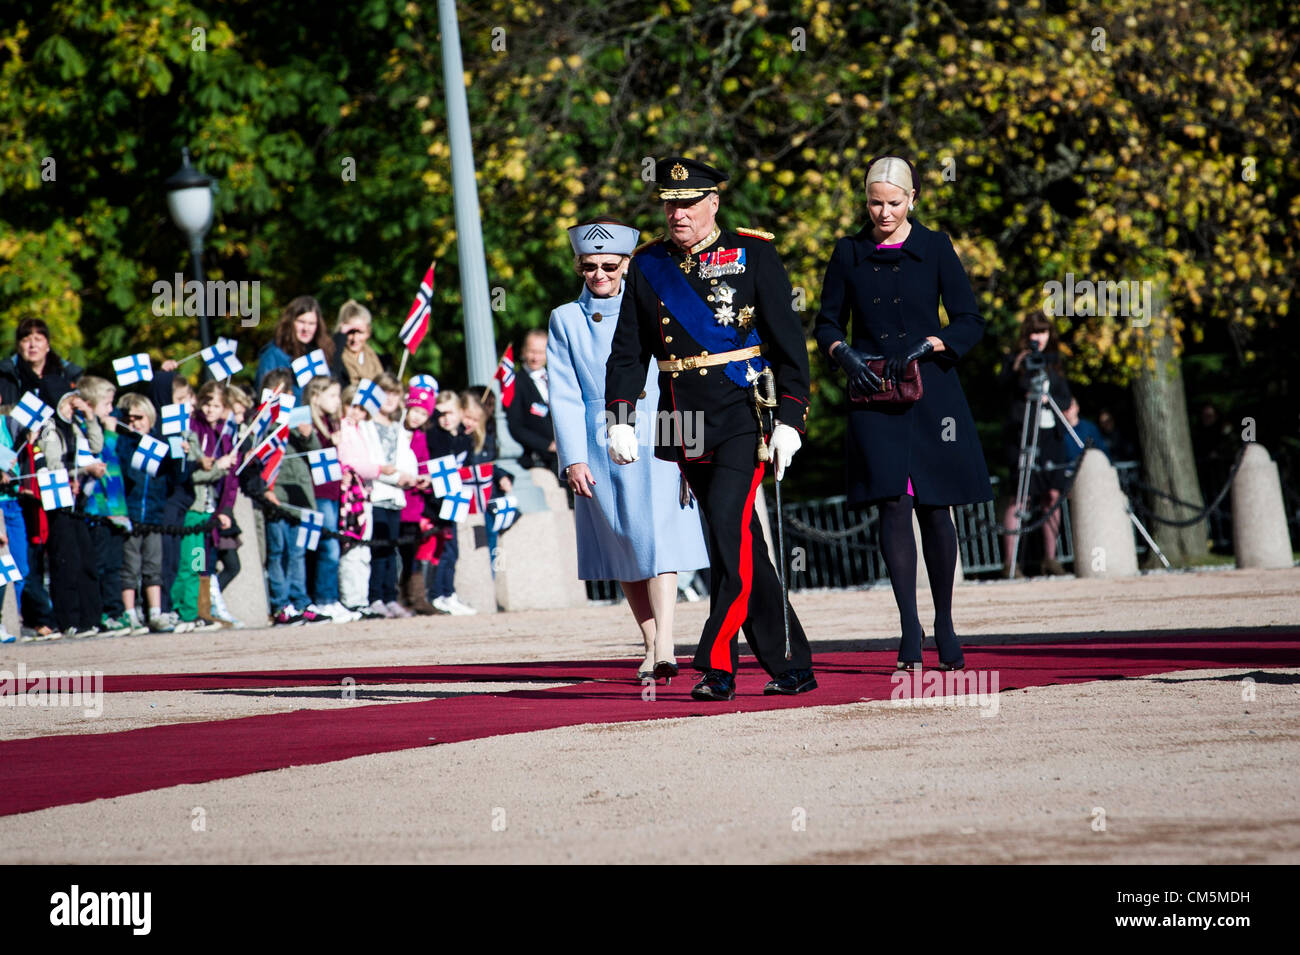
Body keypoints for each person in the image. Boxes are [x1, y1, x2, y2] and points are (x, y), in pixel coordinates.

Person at [605, 155, 816, 701]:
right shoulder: (649, 264)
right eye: (670, 204)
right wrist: (620, 417)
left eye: (688, 203)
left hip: (742, 414)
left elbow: (789, 346)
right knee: (734, 545)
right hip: (685, 419)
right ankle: (791, 662)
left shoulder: (754, 254)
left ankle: (718, 664)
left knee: (729, 530)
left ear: (713, 203)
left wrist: (791, 419)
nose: (677, 214)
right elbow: (627, 351)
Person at [813, 155, 993, 670]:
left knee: (937, 509)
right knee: (892, 506)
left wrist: (933, 344)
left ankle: (945, 623)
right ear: (864, 201)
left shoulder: (935, 247)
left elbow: (969, 318)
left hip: (932, 394)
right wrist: (844, 356)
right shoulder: (848, 252)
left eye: (893, 202)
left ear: (912, 199)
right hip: (874, 393)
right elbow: (827, 323)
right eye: (875, 202)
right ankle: (908, 627)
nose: (884, 212)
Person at [550, 216, 708, 681]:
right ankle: (648, 642)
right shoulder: (565, 319)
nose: (599, 275)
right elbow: (563, 392)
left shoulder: (656, 304)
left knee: (660, 541)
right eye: (589, 267)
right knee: (624, 545)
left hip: (658, 434)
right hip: (599, 441)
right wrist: (573, 459)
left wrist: (690, 447)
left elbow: (683, 377)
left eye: (609, 266)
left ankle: (666, 644)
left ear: (626, 265)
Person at [998, 315, 1073, 576]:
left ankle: (1050, 558)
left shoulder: (1054, 364)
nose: (1039, 338)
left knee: (1052, 494)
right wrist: (1018, 365)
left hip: (1051, 434)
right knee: (1020, 497)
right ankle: (1010, 561)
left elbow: (1065, 397)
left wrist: (1048, 397)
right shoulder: (1016, 361)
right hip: (1023, 434)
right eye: (1034, 333)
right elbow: (1003, 389)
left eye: (1043, 332)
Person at [37, 388, 108, 637]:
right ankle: (70, 619)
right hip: (59, 500)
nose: (73, 407)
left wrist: (89, 416)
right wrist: (81, 471)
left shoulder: (75, 425)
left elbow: (96, 446)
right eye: (69, 402)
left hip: (78, 502)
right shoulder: (49, 428)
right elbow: (54, 462)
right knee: (66, 561)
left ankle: (91, 617)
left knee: (86, 559)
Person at [367, 373, 418, 618]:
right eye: (385, 392)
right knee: (377, 549)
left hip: (396, 497)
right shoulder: (367, 426)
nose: (390, 398)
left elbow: (407, 459)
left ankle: (390, 596)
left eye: (395, 394)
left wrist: (414, 477)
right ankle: (375, 596)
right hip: (376, 494)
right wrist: (396, 478)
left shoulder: (397, 428)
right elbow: (372, 463)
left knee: (391, 550)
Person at [425, 390, 474, 615]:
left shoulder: (465, 438)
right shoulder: (435, 436)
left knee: (453, 550)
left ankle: (448, 592)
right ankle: (437, 594)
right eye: (440, 413)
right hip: (437, 502)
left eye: (450, 413)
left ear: (461, 413)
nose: (445, 418)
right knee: (442, 549)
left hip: (456, 500)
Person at [255, 296, 336, 397]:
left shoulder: (320, 354)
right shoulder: (273, 355)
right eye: (301, 322)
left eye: (311, 323)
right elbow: (264, 395)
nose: (306, 328)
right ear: (290, 322)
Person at [507, 329, 558, 472]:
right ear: (523, 351)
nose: (536, 357)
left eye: (541, 352)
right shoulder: (516, 383)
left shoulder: (557, 379)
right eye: (532, 351)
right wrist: (548, 445)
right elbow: (515, 426)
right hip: (538, 462)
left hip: (564, 458)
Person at [331, 300, 387, 389]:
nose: (355, 338)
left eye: (360, 332)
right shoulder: (335, 356)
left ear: (368, 332)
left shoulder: (373, 358)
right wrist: (340, 337)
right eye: (351, 332)